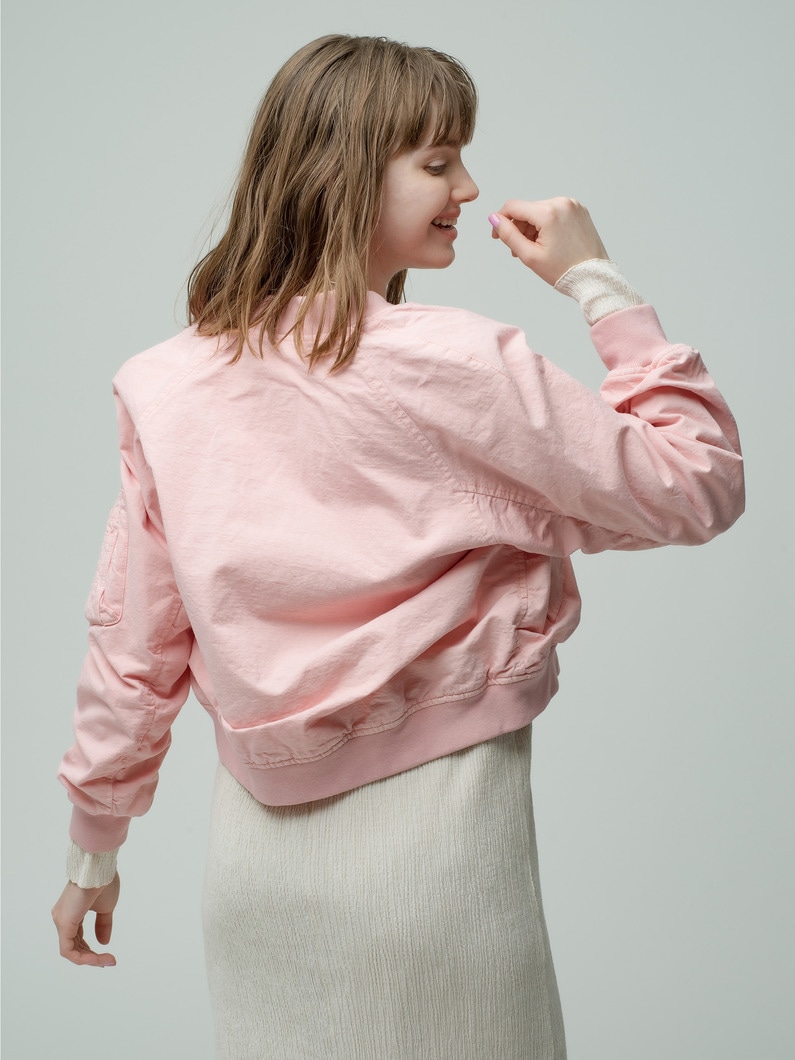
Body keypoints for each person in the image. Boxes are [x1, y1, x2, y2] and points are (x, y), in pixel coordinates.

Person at [51, 33, 744, 1059]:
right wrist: (595, 278)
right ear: (344, 173)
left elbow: (133, 646)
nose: (468, 187)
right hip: (438, 870)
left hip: (253, 881)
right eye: (437, 161)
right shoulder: (455, 363)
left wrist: (94, 851)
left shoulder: (164, 383)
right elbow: (696, 481)